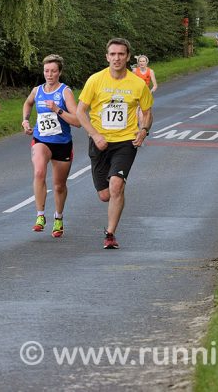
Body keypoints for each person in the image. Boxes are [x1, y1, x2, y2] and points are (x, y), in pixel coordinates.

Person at [76, 38, 154, 249]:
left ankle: (110, 234)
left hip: (125, 141)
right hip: (99, 141)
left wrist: (144, 130)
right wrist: (94, 135)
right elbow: (80, 111)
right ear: (107, 57)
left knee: (116, 186)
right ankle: (114, 193)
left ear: (128, 57)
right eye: (113, 54)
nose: (117, 58)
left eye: (121, 54)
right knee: (105, 195)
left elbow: (147, 113)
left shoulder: (138, 84)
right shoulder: (95, 80)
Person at [21, 54, 81, 238]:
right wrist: (25, 120)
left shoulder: (65, 92)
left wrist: (57, 109)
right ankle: (40, 216)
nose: (49, 74)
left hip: (62, 143)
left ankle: (58, 218)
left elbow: (78, 121)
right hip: (41, 140)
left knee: (59, 185)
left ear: (60, 72)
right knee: (39, 172)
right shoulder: (37, 90)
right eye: (46, 70)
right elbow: (28, 103)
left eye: (53, 71)